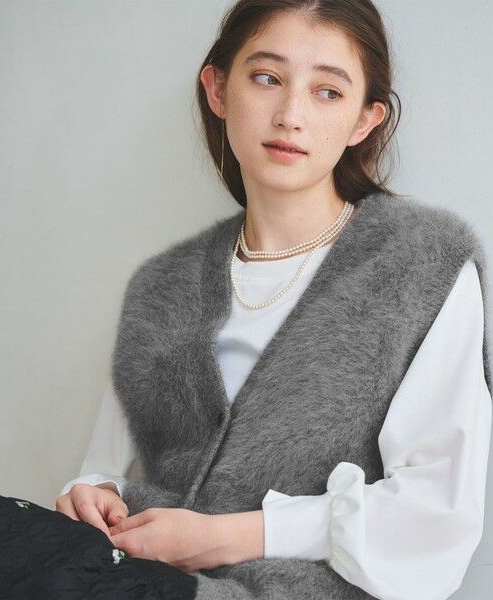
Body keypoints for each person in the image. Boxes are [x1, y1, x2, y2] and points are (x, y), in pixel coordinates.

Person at [51, 0, 491, 599]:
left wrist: (227, 536)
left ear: (365, 120)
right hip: (134, 579)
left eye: (328, 92)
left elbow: (436, 511)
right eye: (266, 78)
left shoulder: (422, 265)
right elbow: (106, 471)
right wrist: (92, 495)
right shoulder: (162, 285)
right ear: (218, 90)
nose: (290, 116)